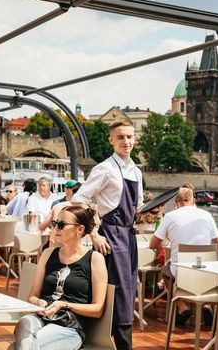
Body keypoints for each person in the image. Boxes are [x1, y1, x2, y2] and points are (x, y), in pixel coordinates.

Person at [71, 118, 143, 350]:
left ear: (135, 138)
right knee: (118, 295)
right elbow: (79, 199)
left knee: (127, 292)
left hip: (129, 237)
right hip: (110, 237)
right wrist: (94, 233)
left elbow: (137, 206)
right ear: (111, 140)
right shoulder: (105, 168)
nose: (126, 141)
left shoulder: (136, 171)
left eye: (129, 136)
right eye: (120, 137)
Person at [10, 204, 108, 350]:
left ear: (79, 230)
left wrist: (64, 304)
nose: (55, 229)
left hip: (69, 326)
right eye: (55, 223)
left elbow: (98, 308)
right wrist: (39, 302)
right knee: (25, 322)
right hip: (40, 317)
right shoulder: (48, 254)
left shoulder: (95, 259)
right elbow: (32, 297)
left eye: (61, 225)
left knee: (22, 346)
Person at [150, 186, 218, 322]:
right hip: (205, 269)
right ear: (193, 200)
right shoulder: (206, 215)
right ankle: (206, 305)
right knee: (201, 273)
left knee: (165, 273)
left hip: (181, 270)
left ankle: (182, 306)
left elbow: (152, 245)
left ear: (176, 203)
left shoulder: (170, 216)